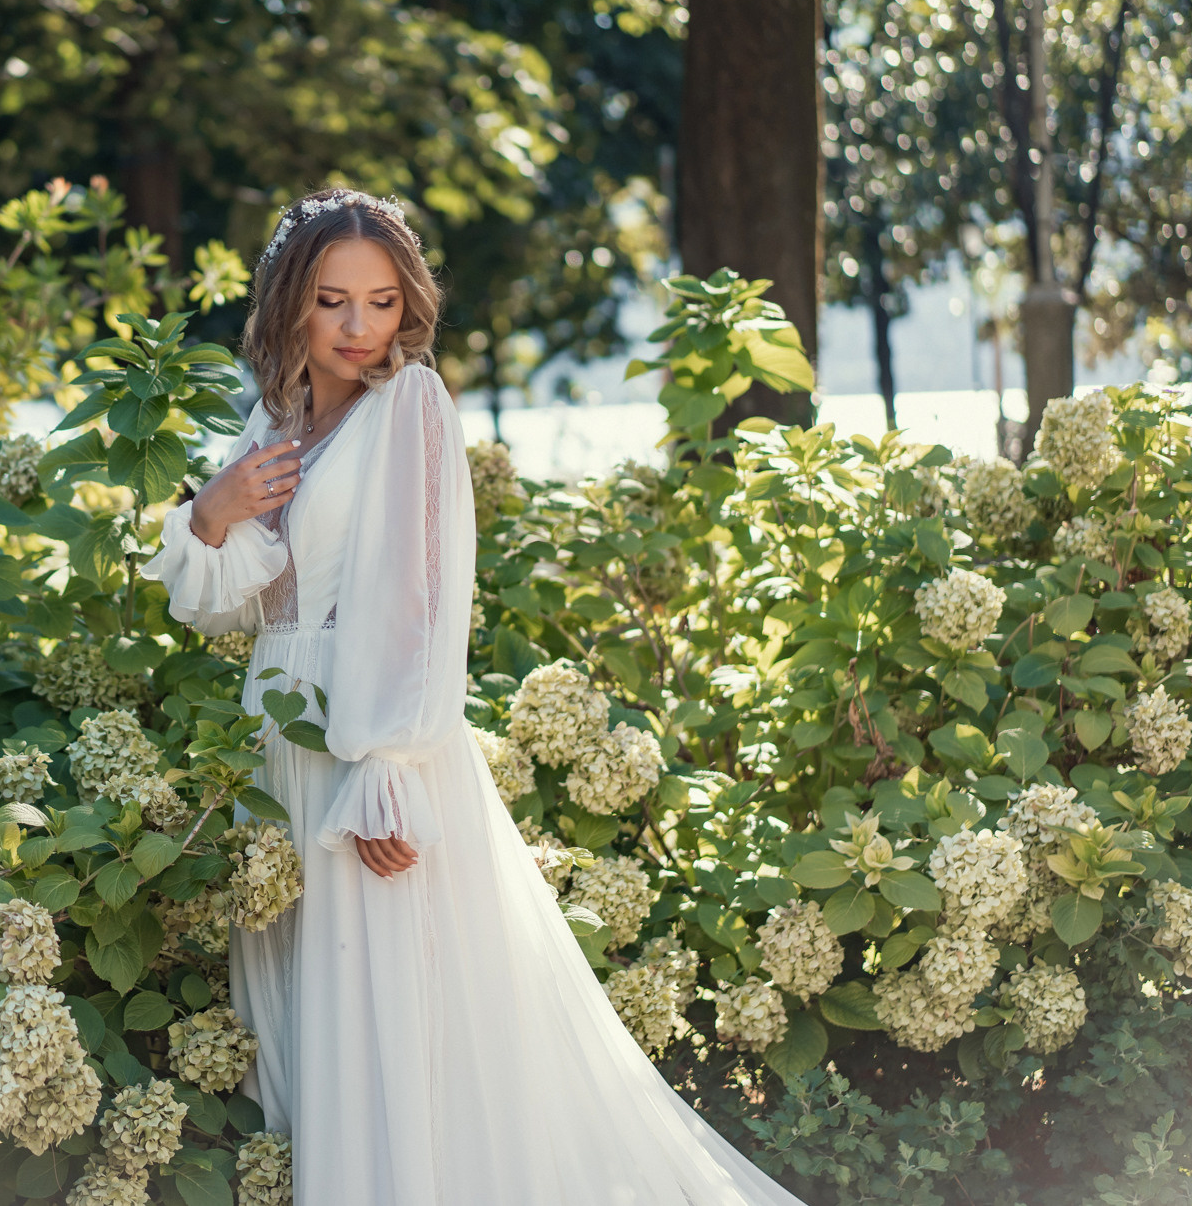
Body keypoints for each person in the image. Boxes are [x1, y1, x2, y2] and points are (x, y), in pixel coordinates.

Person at [139, 188, 810, 1205]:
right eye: (331, 301)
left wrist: (387, 766)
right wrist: (212, 511)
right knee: (307, 1018)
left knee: (388, 1020)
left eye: (379, 302)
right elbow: (229, 612)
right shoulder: (273, 420)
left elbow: (419, 598)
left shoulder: (409, 407)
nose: (359, 327)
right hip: (276, 750)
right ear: (289, 305)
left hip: (369, 748)